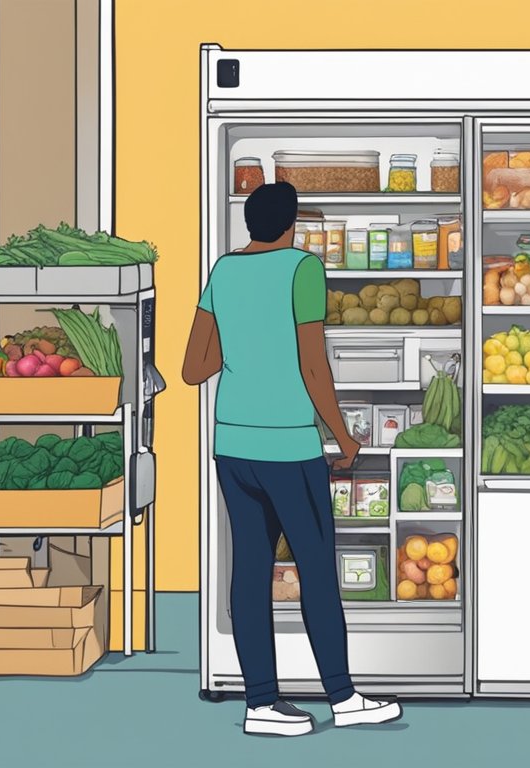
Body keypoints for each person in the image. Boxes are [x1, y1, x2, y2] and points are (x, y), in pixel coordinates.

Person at [183, 181, 401, 736]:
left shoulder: (223, 270)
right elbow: (313, 366)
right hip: (289, 444)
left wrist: (247, 349)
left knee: (251, 570)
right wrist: (344, 439)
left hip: (233, 445)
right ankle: (343, 698)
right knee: (316, 570)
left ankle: (260, 704)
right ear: (291, 226)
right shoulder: (302, 269)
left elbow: (193, 368)